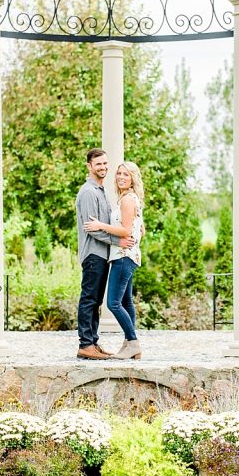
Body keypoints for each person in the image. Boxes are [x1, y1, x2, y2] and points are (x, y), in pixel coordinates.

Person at [75, 148, 135, 360]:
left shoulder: (101, 191)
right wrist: (118, 240)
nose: (103, 167)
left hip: (102, 254)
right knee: (89, 299)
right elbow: (93, 229)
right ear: (89, 166)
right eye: (98, 164)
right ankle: (85, 344)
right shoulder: (89, 192)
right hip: (93, 254)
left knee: (96, 301)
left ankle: (93, 341)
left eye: (105, 163)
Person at [84, 161, 144, 359]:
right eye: (119, 173)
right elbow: (138, 228)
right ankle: (129, 345)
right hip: (127, 255)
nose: (120, 177)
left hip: (123, 256)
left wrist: (100, 225)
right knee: (126, 302)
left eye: (126, 175)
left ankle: (133, 342)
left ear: (133, 178)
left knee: (113, 303)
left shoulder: (128, 200)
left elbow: (126, 230)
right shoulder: (129, 198)